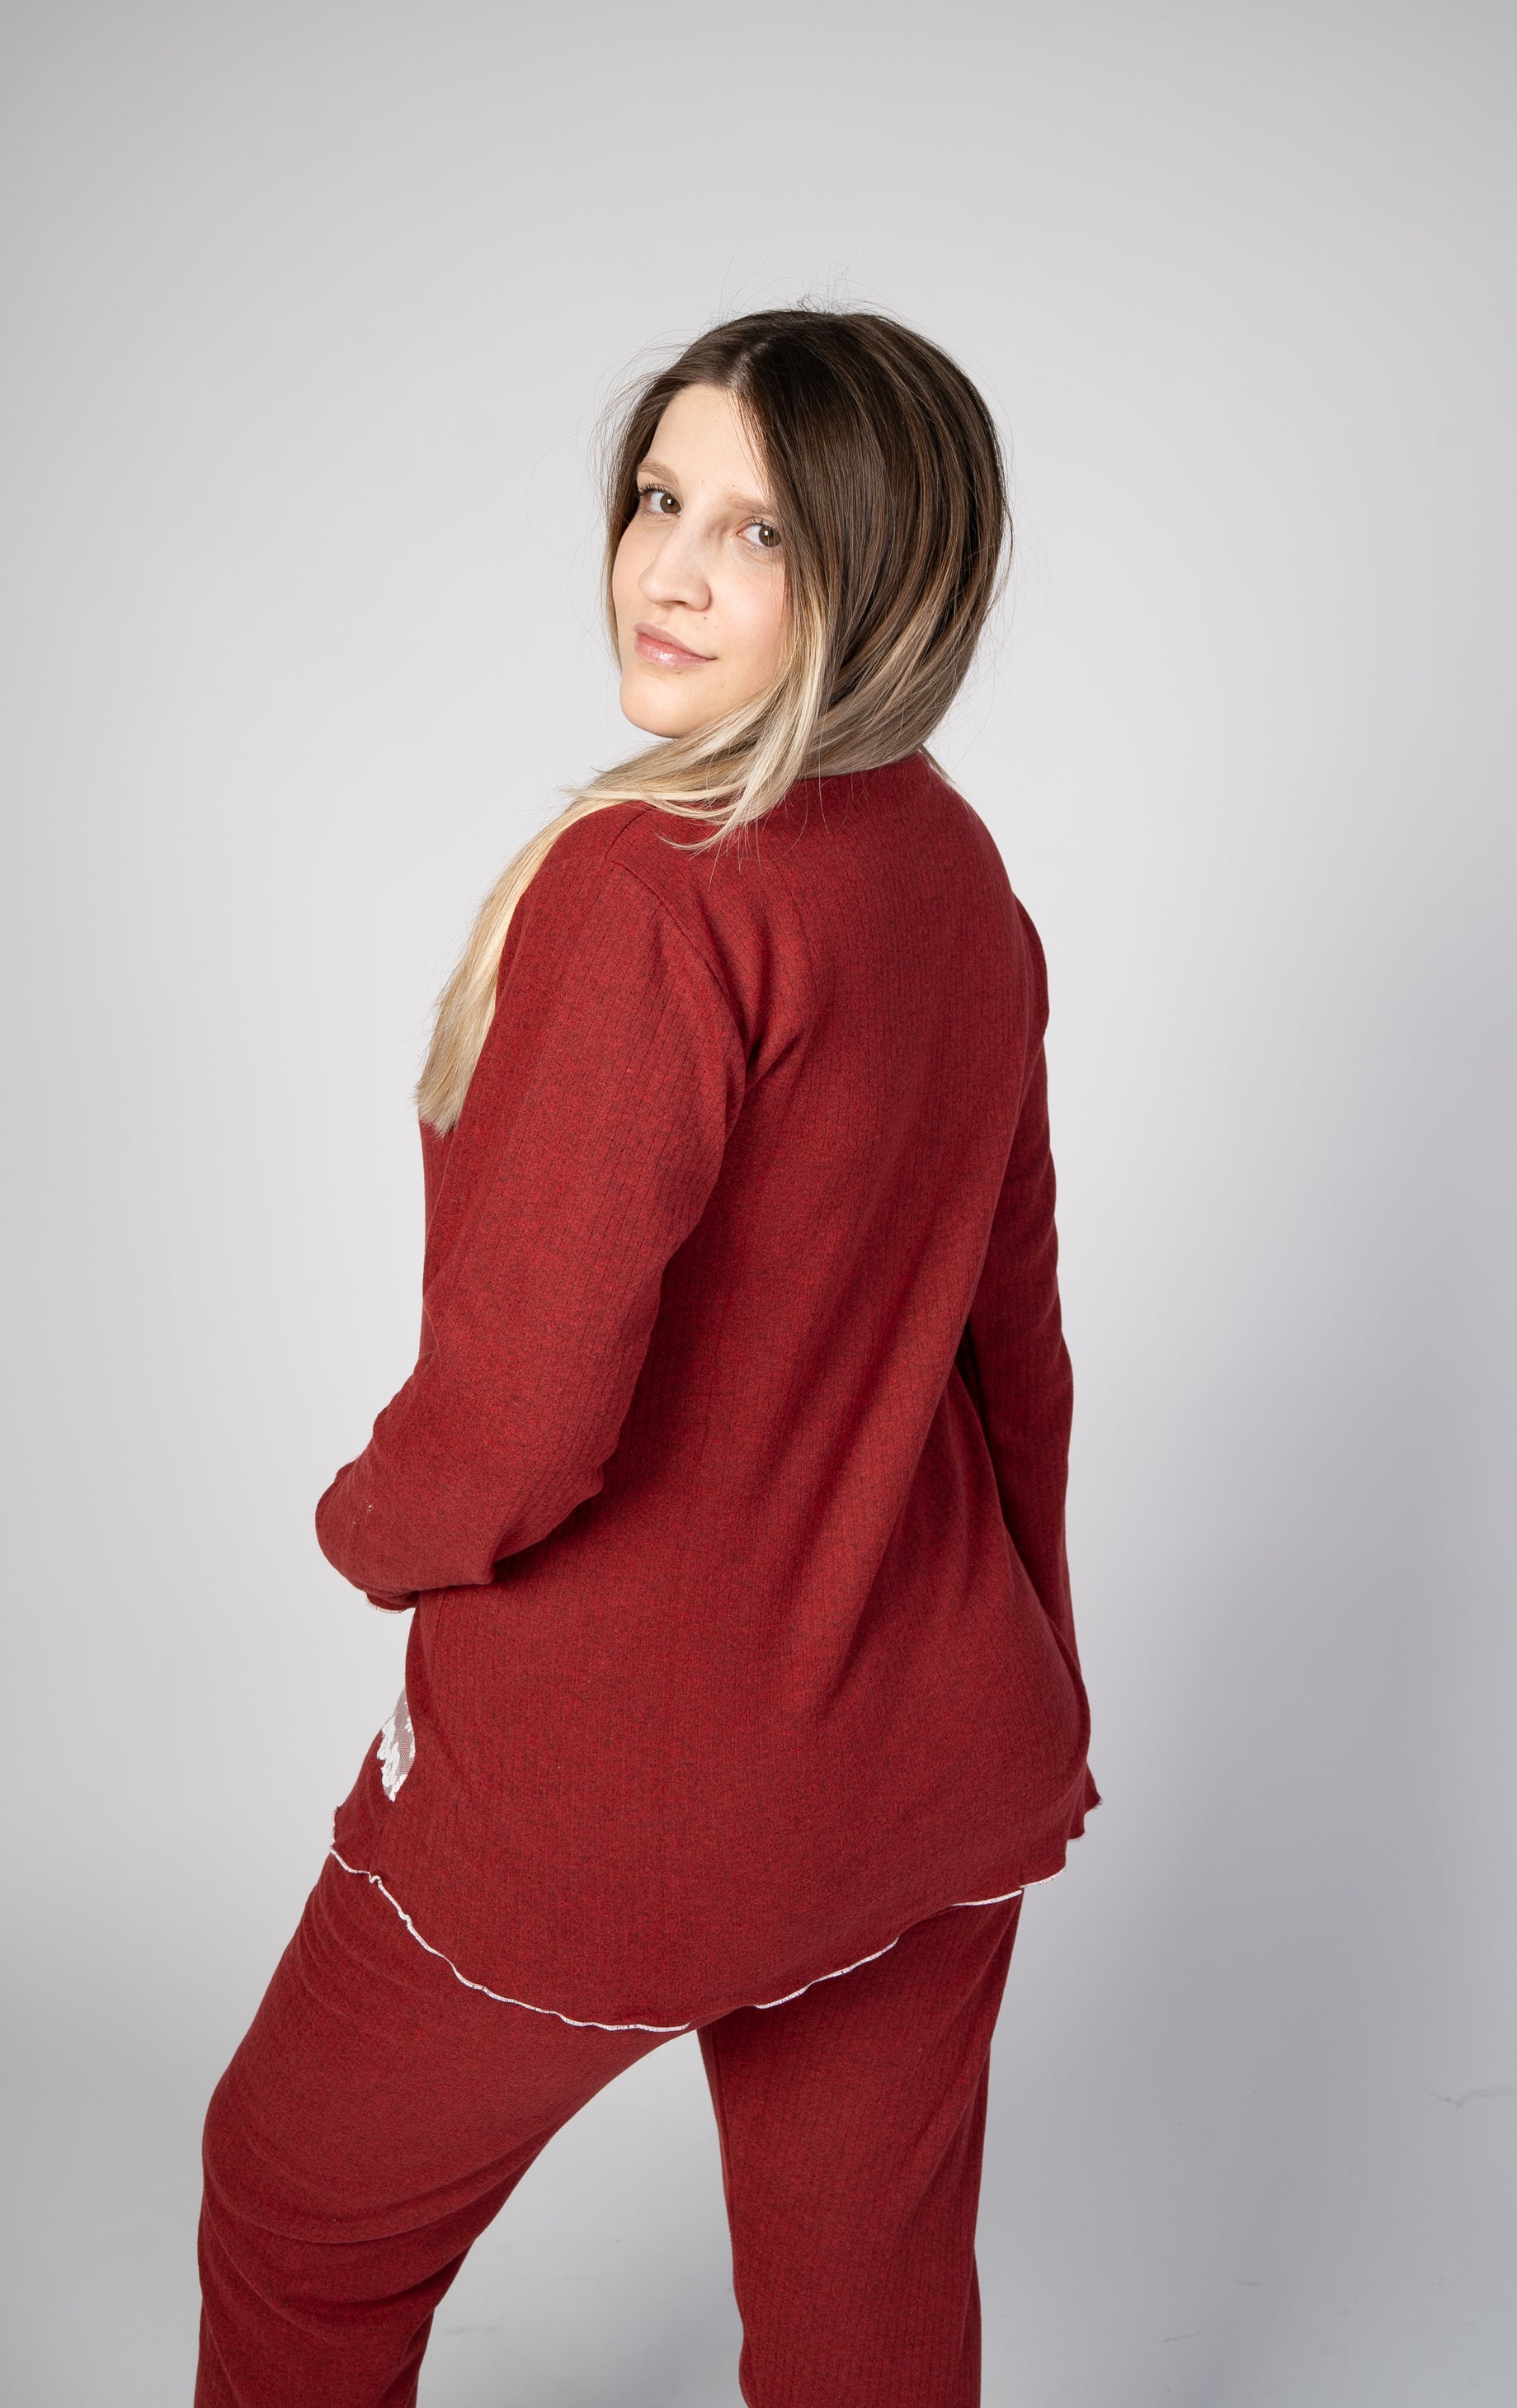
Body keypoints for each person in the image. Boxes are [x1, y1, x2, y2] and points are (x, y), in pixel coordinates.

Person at [195, 306, 1098, 2408]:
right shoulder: (956, 870)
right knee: (864, 2313)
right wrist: (1030, 1668)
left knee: (296, 2213)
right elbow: (1020, 1353)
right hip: (928, 1755)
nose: (666, 570)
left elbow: (515, 1429)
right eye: (659, 498)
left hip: (623, 1803)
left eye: (756, 531)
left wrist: (370, 1526)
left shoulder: (645, 891)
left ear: (886, 575)